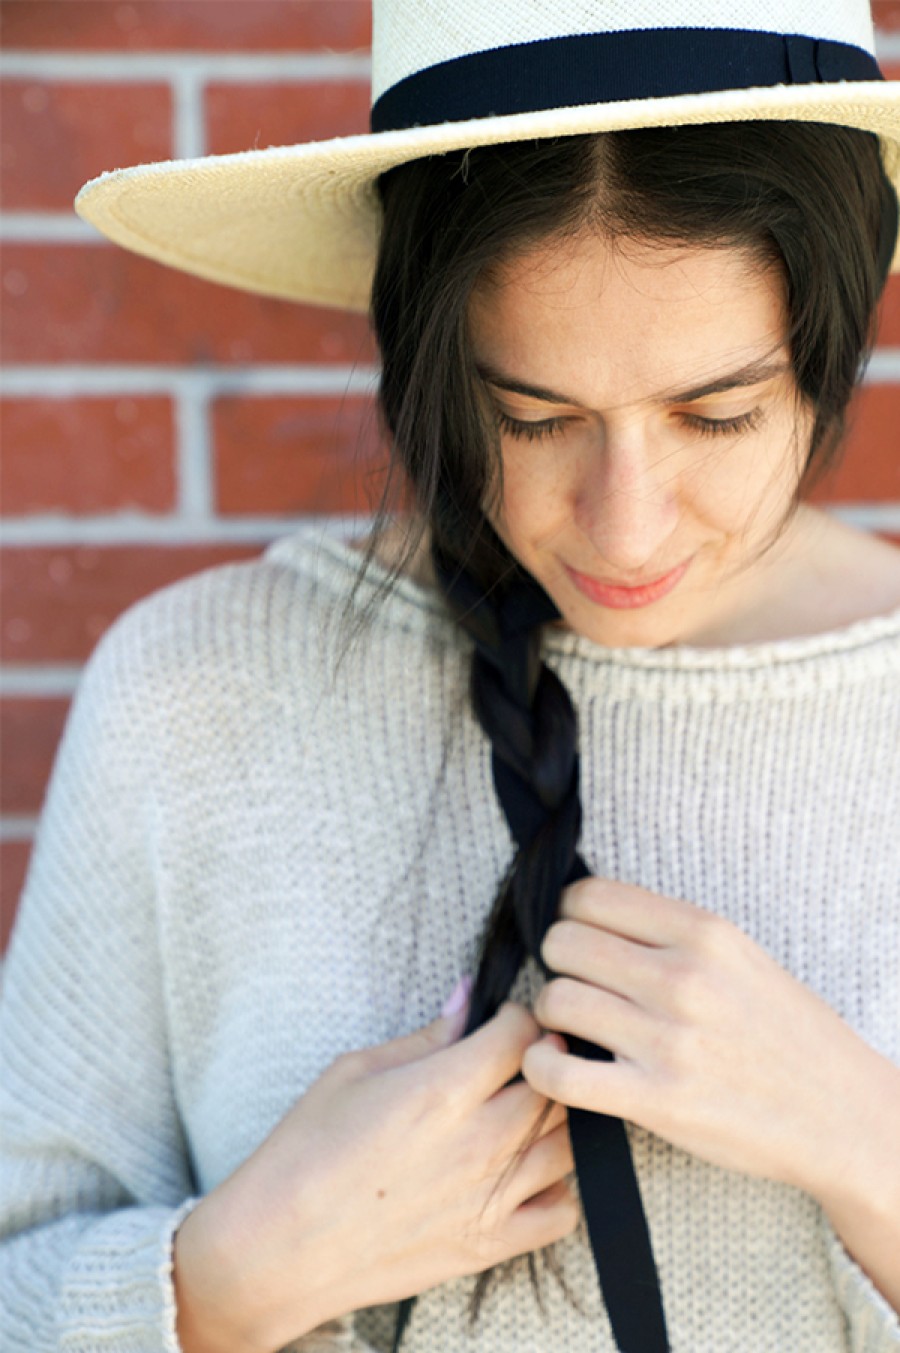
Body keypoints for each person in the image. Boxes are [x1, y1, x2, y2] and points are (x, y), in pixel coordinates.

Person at [2, 0, 900, 1350]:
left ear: (830, 345)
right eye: (533, 417)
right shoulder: (196, 689)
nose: (628, 521)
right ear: (427, 364)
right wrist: (227, 1275)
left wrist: (863, 1143)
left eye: (717, 414)